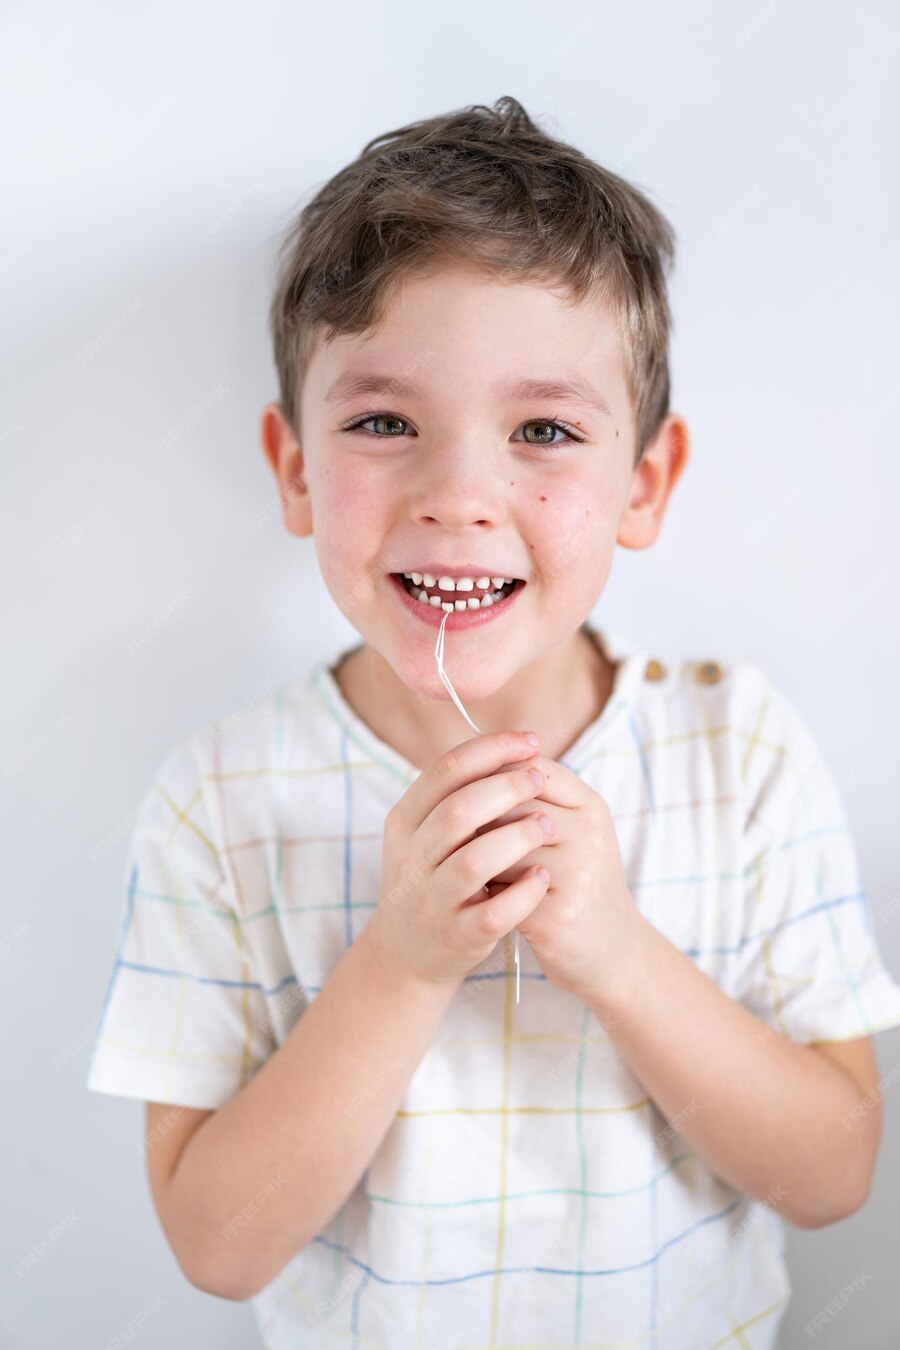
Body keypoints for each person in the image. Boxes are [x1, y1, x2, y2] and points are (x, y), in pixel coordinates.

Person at [86, 96, 900, 1347]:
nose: (460, 497)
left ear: (645, 483)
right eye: (382, 423)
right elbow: (217, 1244)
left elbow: (835, 1174)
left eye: (543, 431)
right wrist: (403, 963)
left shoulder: (739, 751)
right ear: (296, 469)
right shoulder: (223, 799)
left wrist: (619, 953)